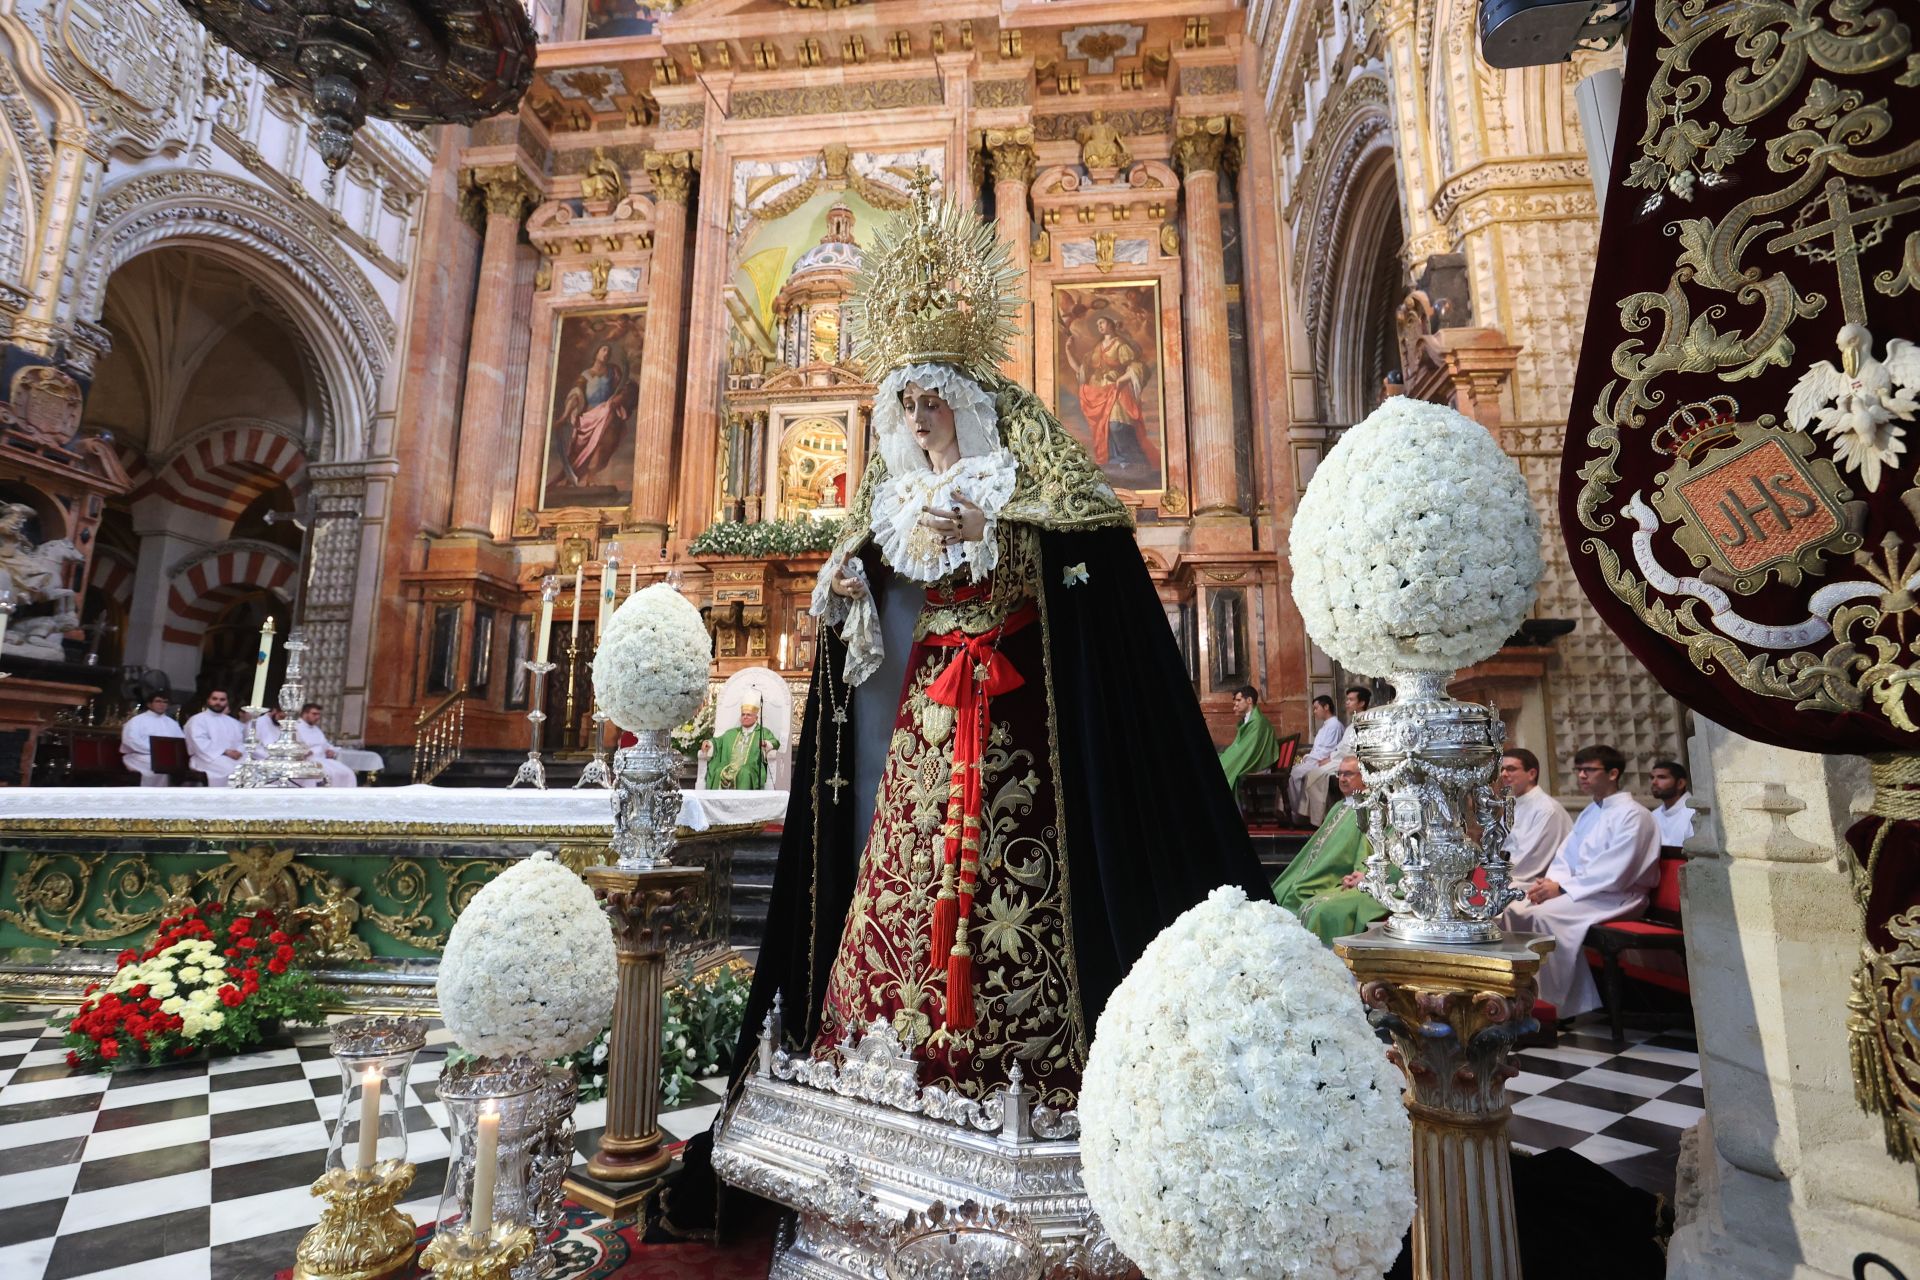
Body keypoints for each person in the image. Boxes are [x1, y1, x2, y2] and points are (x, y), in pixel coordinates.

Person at [733, 171, 1268, 1114]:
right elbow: (869, 599)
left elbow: (1081, 564)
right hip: (927, 714)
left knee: (1012, 872)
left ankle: (1031, 1066)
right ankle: (894, 1052)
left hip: (1019, 709)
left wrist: (999, 530)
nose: (915, 421)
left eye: (930, 403)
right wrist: (853, 586)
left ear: (963, 402)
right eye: (904, 407)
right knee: (907, 869)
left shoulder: (1021, 474)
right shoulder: (890, 495)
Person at [1501, 744, 1660, 1019]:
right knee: (1523, 909)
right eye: (1579, 770)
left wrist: (1561, 889)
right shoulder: (1590, 813)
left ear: (1613, 773)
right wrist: (1550, 885)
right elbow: (1566, 858)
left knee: (1545, 917)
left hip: (1619, 895)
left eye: (1589, 770)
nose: (1582, 776)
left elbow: (1618, 869)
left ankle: (1557, 1005)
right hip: (1588, 892)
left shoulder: (1635, 814)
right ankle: (1535, 997)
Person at [1297, 686, 1371, 824]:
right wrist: (1330, 757)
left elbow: (1350, 750)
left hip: (1349, 761)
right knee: (1312, 774)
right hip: (1339, 759)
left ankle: (1320, 819)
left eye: (1351, 700)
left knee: (1315, 776)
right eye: (1347, 700)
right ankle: (1320, 816)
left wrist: (1330, 758)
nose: (1347, 703)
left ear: (1361, 703)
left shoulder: (1364, 723)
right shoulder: (1353, 723)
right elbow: (1342, 747)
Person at [1499, 747, 1574, 885]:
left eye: (1511, 769)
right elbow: (1501, 848)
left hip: (1534, 884)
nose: (1503, 774)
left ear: (1532, 774)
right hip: (1508, 877)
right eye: (1502, 769)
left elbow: (1529, 863)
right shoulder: (1511, 806)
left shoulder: (1547, 810)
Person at [1286, 694, 1344, 812]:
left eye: (1316, 708)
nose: (1314, 711)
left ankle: (1297, 810)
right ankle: (1292, 809)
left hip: (1322, 762)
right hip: (1314, 760)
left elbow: (1327, 751)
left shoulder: (1334, 725)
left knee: (1294, 774)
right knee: (1291, 772)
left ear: (1326, 707)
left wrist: (1308, 757)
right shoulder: (1325, 726)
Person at [706, 700, 779, 790]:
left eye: (748, 715)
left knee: (744, 772)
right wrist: (709, 743)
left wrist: (766, 744)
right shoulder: (731, 733)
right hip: (730, 765)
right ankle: (716, 802)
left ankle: (744, 802)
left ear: (756, 718)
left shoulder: (763, 732)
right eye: (743, 715)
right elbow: (718, 741)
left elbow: (775, 742)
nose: (745, 717)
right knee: (718, 771)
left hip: (751, 767)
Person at [1218, 684, 1280, 792]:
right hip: (1248, 758)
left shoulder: (1258, 722)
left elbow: (1248, 751)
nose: (1235, 706)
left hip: (1258, 764)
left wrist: (1227, 760)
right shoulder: (1248, 721)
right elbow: (1241, 748)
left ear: (1249, 700)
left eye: (1238, 700)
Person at [119, 692, 185, 786]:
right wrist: (156, 751)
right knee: (155, 766)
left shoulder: (172, 723)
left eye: (165, 702)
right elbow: (131, 741)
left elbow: (180, 742)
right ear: (149, 704)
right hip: (139, 756)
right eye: (158, 701)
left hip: (165, 757)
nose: (162, 704)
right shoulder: (137, 721)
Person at [185, 690, 247, 787]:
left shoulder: (233, 722)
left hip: (232, 757)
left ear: (226, 702)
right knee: (232, 770)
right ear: (208, 700)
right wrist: (225, 752)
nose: (218, 702)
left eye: (222, 699)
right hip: (205, 758)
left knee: (250, 769)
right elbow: (199, 742)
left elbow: (240, 741)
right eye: (214, 699)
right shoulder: (197, 720)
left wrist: (239, 751)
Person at [1650, 758, 1695, 847]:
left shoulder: (1695, 812)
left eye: (1662, 777)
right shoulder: (1654, 815)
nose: (1654, 782)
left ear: (1680, 783)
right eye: (1652, 778)